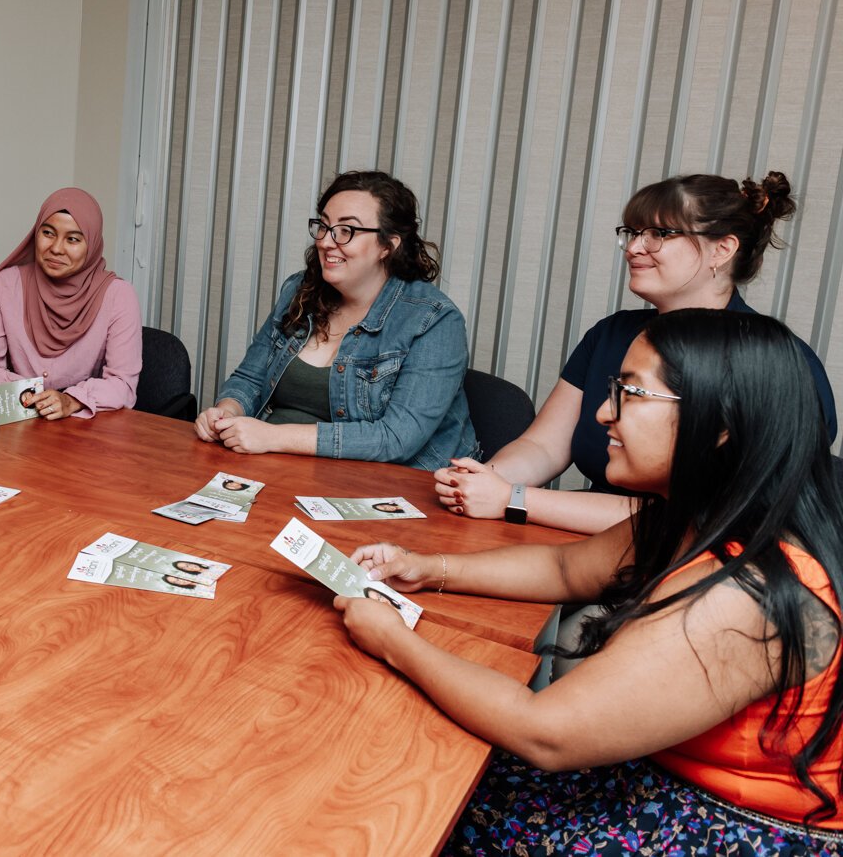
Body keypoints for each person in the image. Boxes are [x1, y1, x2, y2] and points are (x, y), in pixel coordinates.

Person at [341, 310, 843, 852]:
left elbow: (545, 732)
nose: (604, 413)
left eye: (631, 393)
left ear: (721, 425)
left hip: (722, 824)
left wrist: (393, 640)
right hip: (656, 776)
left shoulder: (744, 593)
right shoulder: (696, 518)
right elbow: (565, 568)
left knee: (413, 802)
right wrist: (427, 568)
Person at [436, 171, 836, 534]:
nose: (634, 248)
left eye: (659, 234)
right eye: (633, 232)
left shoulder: (775, 363)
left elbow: (708, 519)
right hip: (577, 534)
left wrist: (515, 499)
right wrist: (479, 480)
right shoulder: (611, 334)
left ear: (722, 250)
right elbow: (544, 446)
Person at [194, 170, 476, 469]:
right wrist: (227, 412)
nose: (327, 242)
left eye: (346, 231)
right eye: (324, 226)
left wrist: (275, 437)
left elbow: (395, 438)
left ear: (387, 246)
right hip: (277, 467)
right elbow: (250, 378)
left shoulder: (434, 320)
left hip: (384, 487)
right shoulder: (299, 289)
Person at [0, 188, 141, 419]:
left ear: (93, 243)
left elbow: (123, 385)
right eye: (48, 233)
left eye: (73, 239)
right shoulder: (2, 287)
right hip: (20, 424)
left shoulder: (119, 296)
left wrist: (71, 400)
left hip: (86, 433)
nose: (56, 248)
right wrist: (33, 393)